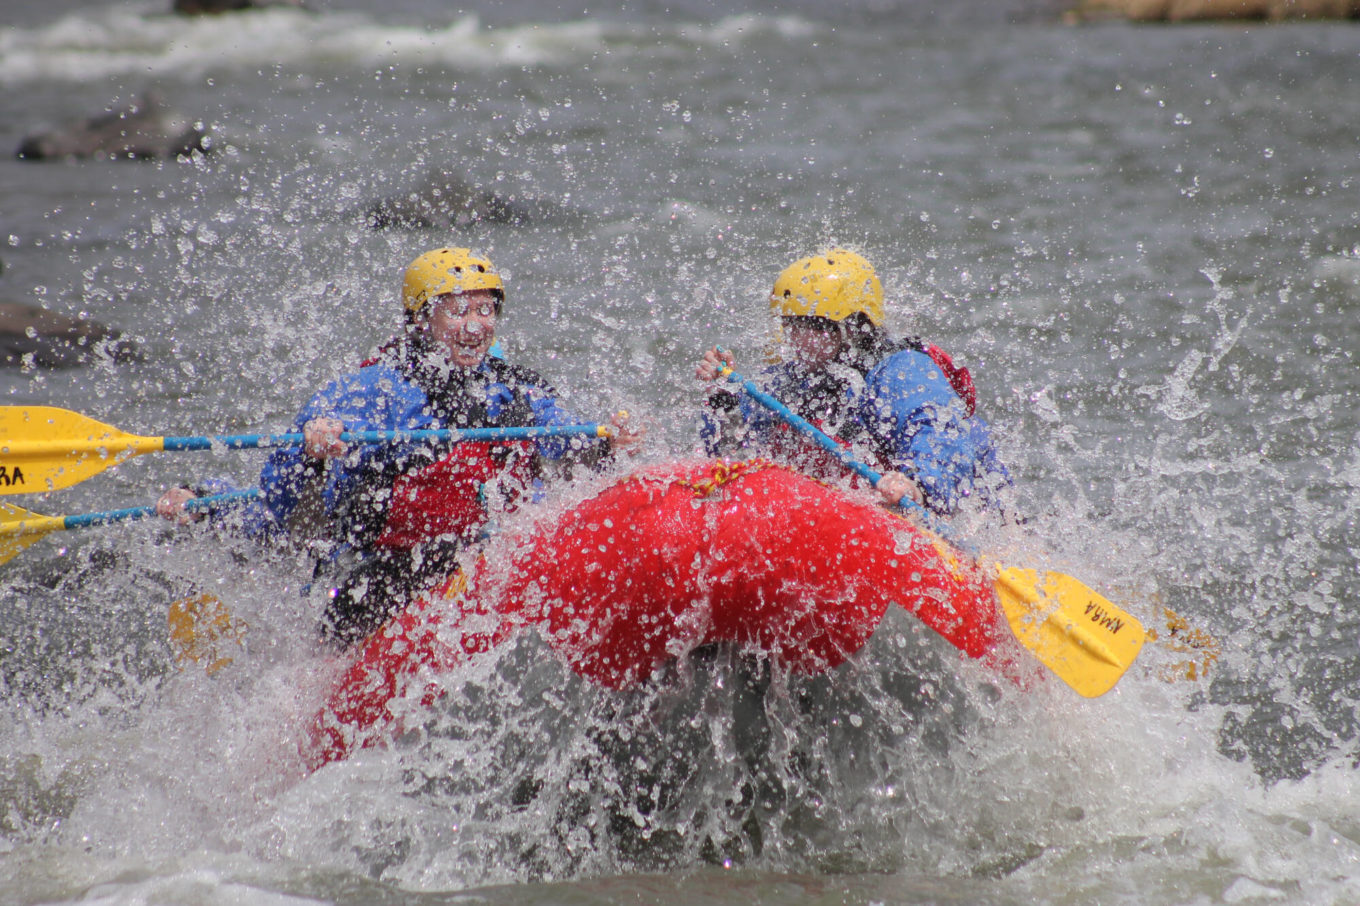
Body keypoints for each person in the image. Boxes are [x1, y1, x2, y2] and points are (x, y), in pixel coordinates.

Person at [161, 247, 643, 647]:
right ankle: (204, 501)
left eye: (484, 310)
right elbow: (283, 500)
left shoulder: (515, 390)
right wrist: (315, 445)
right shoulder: (372, 390)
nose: (475, 326)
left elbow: (565, 437)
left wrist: (608, 440)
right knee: (271, 529)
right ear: (421, 319)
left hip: (479, 553)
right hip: (381, 569)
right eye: (458, 310)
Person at [694, 248, 1007, 516]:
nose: (797, 338)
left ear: (854, 327)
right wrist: (725, 397)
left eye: (813, 326)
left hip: (961, 511)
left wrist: (915, 484)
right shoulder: (791, 379)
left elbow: (940, 435)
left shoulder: (902, 372)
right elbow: (731, 449)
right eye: (791, 324)